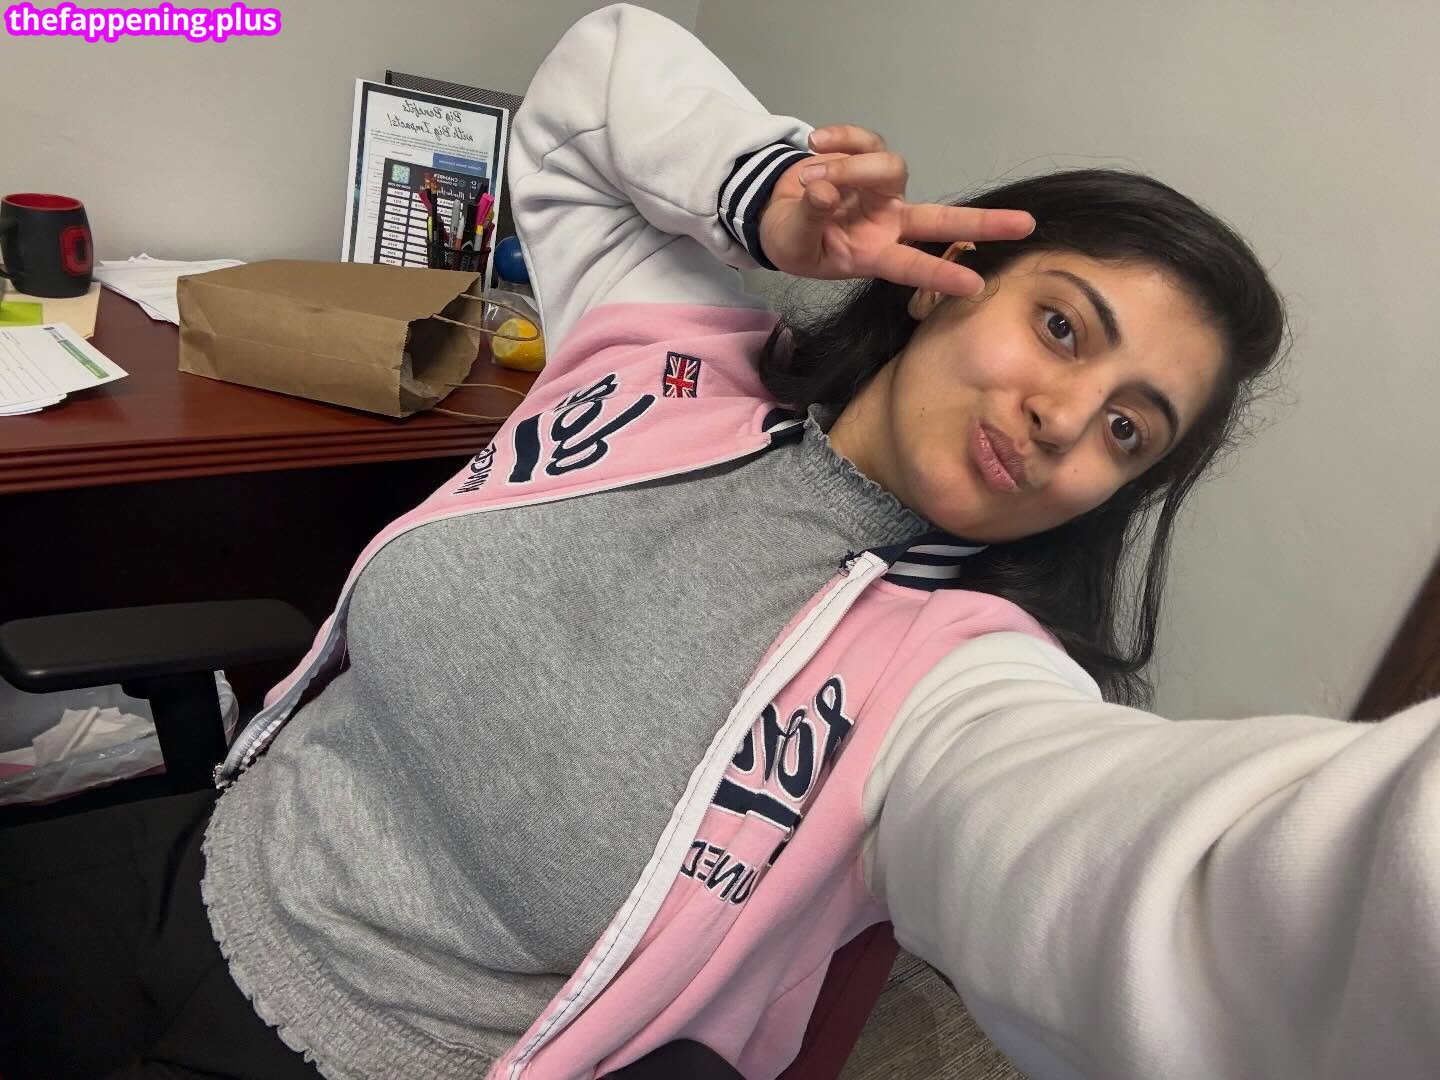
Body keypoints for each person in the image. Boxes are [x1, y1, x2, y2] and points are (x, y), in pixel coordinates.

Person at [2, 5, 1436, 1079]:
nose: (1067, 418)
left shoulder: (958, 690)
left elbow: (1190, 884)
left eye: (1129, 429)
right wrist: (763, 193)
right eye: (1061, 326)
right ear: (947, 278)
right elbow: (598, 74)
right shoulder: (667, 367)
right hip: (204, 855)